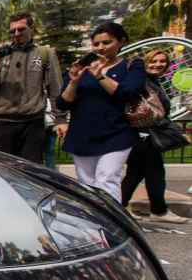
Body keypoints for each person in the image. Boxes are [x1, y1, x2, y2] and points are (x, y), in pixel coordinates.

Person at [57, 22, 146, 201]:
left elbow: (126, 93)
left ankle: (112, 225)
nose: (100, 48)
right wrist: (74, 81)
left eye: (107, 42)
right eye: (96, 44)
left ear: (121, 42)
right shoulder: (83, 68)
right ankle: (93, 224)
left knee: (107, 180)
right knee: (87, 184)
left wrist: (99, 76)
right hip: (82, 135)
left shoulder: (132, 66)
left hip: (116, 134)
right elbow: (63, 102)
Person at [0, 12, 65, 164]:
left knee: (30, 174)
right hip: (1, 122)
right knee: (1, 172)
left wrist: (60, 119)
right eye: (12, 31)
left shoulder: (44, 53)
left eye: (21, 29)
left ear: (31, 29)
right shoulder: (1, 55)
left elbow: (55, 88)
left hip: (31, 123)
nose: (16, 34)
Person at [121, 49, 186, 224]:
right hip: (143, 133)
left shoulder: (154, 82)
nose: (158, 64)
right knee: (154, 173)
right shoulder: (142, 82)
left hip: (145, 133)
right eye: (153, 61)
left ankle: (121, 206)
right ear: (145, 62)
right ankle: (159, 210)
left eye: (162, 61)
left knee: (136, 173)